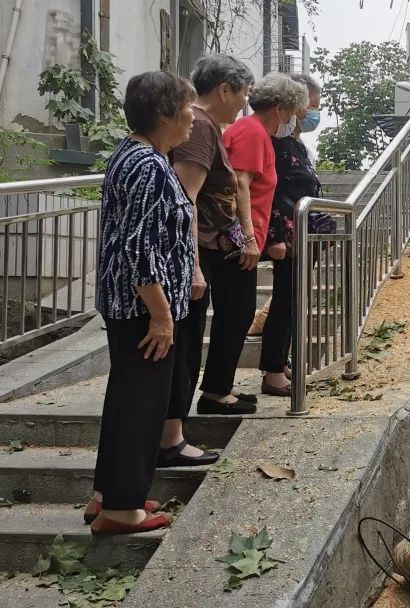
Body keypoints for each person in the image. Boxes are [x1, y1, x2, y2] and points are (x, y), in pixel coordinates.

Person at [89, 71, 204, 534]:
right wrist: (161, 316)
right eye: (188, 109)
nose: (193, 118)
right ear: (164, 115)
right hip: (142, 308)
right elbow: (140, 248)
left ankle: (110, 493)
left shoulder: (131, 155)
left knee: (125, 398)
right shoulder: (152, 166)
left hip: (125, 303)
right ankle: (121, 510)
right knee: (141, 404)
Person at [194, 72, 306, 411]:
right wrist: (248, 237)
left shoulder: (253, 132)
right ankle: (215, 393)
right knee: (236, 313)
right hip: (235, 240)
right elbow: (239, 185)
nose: (290, 120)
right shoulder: (253, 132)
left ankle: (218, 387)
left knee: (238, 313)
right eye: (291, 112)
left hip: (241, 237)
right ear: (279, 108)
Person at [171, 54, 257, 421]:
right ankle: (175, 428)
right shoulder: (200, 126)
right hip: (202, 246)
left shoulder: (206, 125)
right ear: (224, 89)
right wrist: (192, 265)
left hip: (215, 243)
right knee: (189, 338)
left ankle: (215, 392)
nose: (245, 102)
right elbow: (184, 197)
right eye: (244, 94)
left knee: (234, 313)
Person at [260, 74, 326, 396]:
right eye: (308, 106)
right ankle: (273, 372)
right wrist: (278, 236)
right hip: (289, 236)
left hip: (303, 233)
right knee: (285, 300)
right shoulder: (277, 146)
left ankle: (279, 363)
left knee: (292, 300)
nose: (313, 112)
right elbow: (272, 192)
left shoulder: (298, 145)